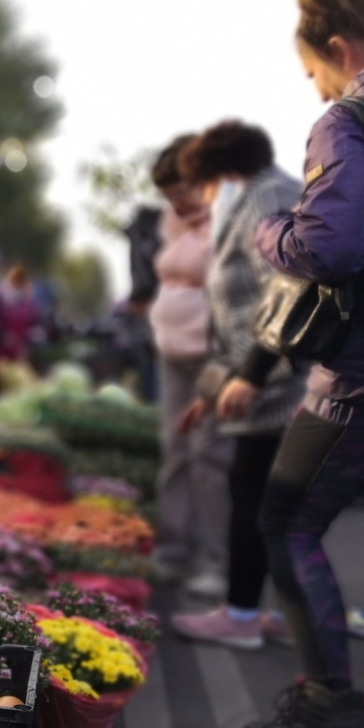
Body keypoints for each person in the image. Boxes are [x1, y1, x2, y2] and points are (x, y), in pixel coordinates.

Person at [244, 0, 364, 728]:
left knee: (286, 519)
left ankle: (326, 701)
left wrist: (269, 232)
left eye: (315, 74)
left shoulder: (354, 117)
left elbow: (332, 244)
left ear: (340, 45)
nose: (318, 90)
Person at [170, 121, 304, 648]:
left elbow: (288, 295)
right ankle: (270, 612)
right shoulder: (257, 198)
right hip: (263, 387)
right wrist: (208, 393)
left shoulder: (270, 199)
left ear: (220, 174)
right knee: (267, 504)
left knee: (259, 502)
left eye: (201, 186)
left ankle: (244, 615)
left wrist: (248, 376)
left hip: (280, 390)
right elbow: (239, 318)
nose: (204, 200)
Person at [146, 136, 234, 599]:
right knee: (175, 452)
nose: (177, 202)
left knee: (210, 458)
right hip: (172, 352)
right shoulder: (172, 220)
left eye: (183, 191)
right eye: (169, 195)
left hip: (212, 354)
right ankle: (175, 550)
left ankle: (219, 562)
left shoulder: (229, 217)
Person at [0, 262, 41, 398]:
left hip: (17, 355)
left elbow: (34, 327)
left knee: (14, 391)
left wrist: (29, 342)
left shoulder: (30, 304)